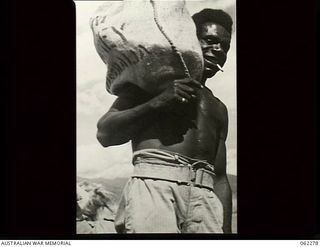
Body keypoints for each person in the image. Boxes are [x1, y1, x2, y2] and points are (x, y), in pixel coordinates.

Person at [96, 8, 233, 233]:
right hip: (155, 189)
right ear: (189, 39)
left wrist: (226, 231)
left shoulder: (218, 108)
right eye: (210, 40)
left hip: (205, 198)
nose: (218, 50)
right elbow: (104, 134)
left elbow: (219, 177)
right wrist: (159, 101)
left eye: (224, 46)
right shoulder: (151, 81)